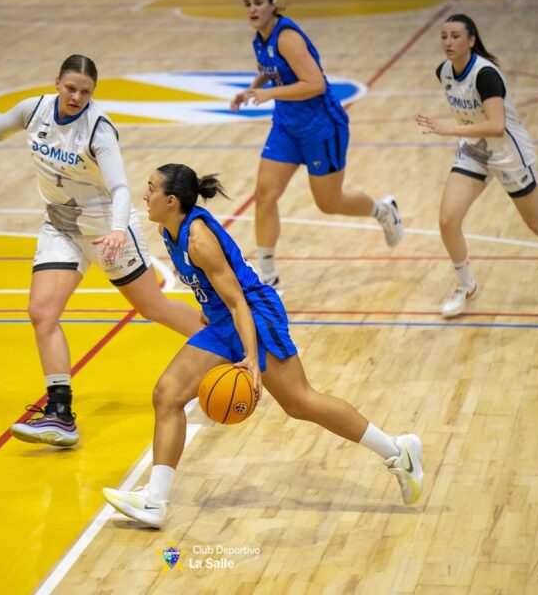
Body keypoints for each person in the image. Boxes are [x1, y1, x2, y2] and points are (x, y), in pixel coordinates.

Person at [102, 163, 423, 528]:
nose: (145, 195)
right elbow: (213, 290)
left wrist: (251, 359)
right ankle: (155, 501)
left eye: (151, 188)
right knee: (167, 394)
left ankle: (397, 451)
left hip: (254, 316)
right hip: (223, 320)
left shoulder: (198, 240)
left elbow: (238, 300)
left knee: (300, 401)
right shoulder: (167, 230)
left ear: (171, 200)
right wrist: (208, 308)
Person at [0, 55, 204, 448]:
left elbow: (120, 188)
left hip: (105, 229)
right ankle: (60, 413)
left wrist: (118, 229)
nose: (77, 97)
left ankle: (228, 341)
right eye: (71, 88)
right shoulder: (34, 110)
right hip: (61, 225)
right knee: (42, 313)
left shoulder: (98, 130)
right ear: (57, 83)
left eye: (85, 91)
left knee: (153, 308)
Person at [230, 0, 403, 287]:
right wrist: (251, 89)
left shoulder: (287, 37)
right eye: (247, 5)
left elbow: (315, 84)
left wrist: (269, 95)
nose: (252, 9)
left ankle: (383, 211)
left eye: (258, 3)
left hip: (320, 127)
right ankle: (267, 276)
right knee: (265, 196)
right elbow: (270, 70)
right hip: (286, 127)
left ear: (272, 4)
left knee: (329, 202)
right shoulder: (259, 38)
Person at [417, 14, 538, 317]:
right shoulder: (443, 71)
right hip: (474, 151)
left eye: (455, 36)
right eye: (443, 36)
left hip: (509, 155)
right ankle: (466, 285)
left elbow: (496, 126)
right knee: (447, 220)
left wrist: (448, 130)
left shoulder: (485, 75)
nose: (448, 42)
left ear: (471, 41)